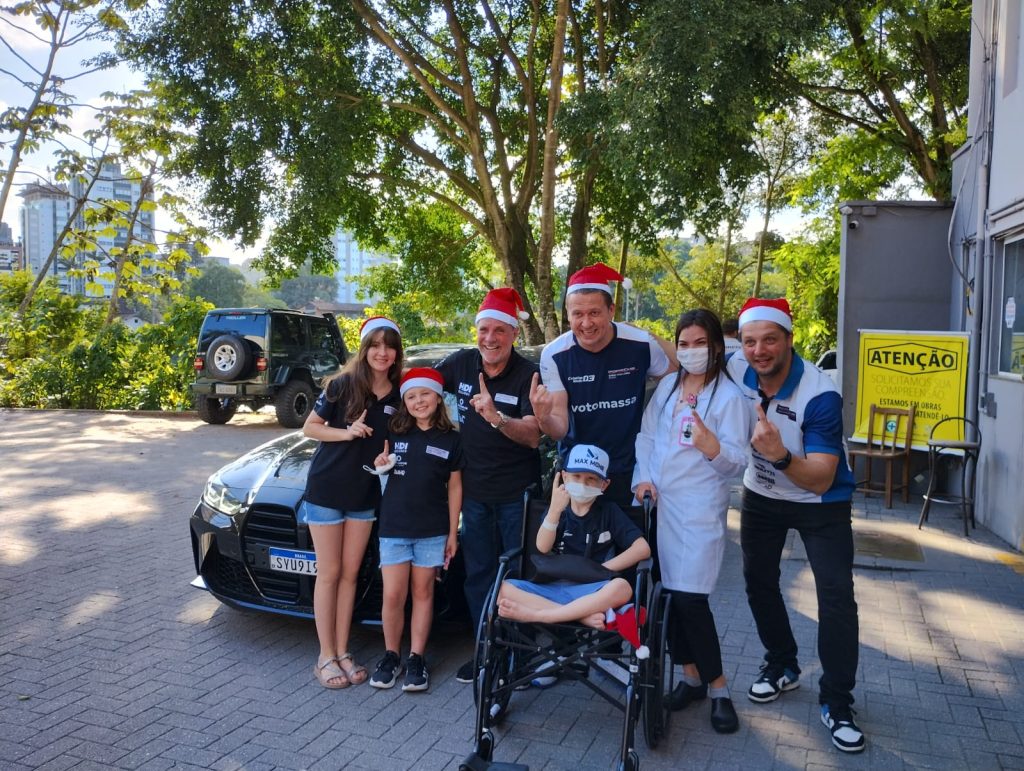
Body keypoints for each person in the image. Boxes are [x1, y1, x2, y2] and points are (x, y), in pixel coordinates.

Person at [725, 297, 864, 753]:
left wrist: (778, 455)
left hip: (820, 502)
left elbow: (822, 474)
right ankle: (781, 664)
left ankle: (838, 702)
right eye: (750, 341)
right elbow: (678, 349)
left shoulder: (820, 394)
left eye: (769, 339)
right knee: (758, 582)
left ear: (789, 339)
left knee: (836, 597)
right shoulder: (737, 368)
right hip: (762, 497)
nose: (759, 350)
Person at [633, 309, 751, 734]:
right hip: (660, 507)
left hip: (698, 512)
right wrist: (642, 478)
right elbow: (646, 437)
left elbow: (735, 464)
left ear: (716, 346)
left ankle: (719, 689)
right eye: (683, 343)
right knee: (666, 598)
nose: (690, 351)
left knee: (690, 601)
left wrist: (710, 445)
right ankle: (690, 677)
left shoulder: (730, 399)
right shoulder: (667, 387)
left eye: (699, 343)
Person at [434, 288, 542, 684]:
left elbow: (534, 436)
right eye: (484, 330)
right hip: (474, 494)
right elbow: (420, 386)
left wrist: (496, 418)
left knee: (518, 574)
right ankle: (485, 649)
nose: (490, 338)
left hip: (518, 495)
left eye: (499, 330)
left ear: (513, 335)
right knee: (478, 574)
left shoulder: (529, 373)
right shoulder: (461, 364)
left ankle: (520, 654)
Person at [300, 316, 403, 689]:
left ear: (396, 353)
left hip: (364, 493)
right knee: (328, 573)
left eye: (388, 345)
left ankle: (342, 652)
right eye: (375, 344)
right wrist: (347, 432)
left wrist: (386, 462)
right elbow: (310, 428)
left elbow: (395, 444)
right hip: (327, 489)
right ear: (364, 349)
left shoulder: (398, 394)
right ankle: (324, 656)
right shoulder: (342, 385)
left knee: (349, 574)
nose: (381, 352)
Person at [530, 263, 677, 508]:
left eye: (594, 313)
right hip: (579, 474)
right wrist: (543, 418)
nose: (586, 323)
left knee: (633, 545)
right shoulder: (554, 354)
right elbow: (559, 428)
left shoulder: (640, 344)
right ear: (567, 314)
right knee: (577, 545)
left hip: (629, 470)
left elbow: (673, 386)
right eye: (578, 314)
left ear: (611, 310)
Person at [368, 367, 465, 693]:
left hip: (432, 532)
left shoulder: (453, 439)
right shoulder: (394, 431)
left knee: (423, 594)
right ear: (404, 402)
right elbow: (380, 468)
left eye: (425, 394)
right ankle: (391, 655)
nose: (418, 401)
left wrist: (452, 534)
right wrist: (381, 467)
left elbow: (454, 489)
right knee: (394, 595)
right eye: (411, 396)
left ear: (438, 398)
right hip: (394, 528)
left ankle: (416, 658)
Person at [497, 444, 650, 628]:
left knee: (622, 588)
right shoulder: (558, 510)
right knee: (503, 589)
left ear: (604, 484)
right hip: (554, 585)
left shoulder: (609, 512)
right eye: (576, 477)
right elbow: (542, 547)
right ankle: (579, 617)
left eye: (591, 479)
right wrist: (554, 510)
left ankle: (545, 615)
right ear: (564, 476)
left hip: (592, 589)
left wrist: (601, 568)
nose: (582, 484)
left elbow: (642, 549)